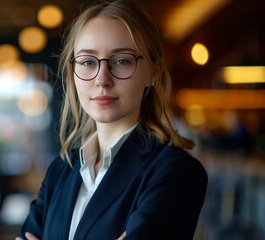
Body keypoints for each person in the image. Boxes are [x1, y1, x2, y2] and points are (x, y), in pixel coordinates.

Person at [16, 0, 208, 239]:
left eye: (122, 61)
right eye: (87, 62)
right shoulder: (60, 170)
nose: (102, 79)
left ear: (154, 72)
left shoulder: (175, 172)